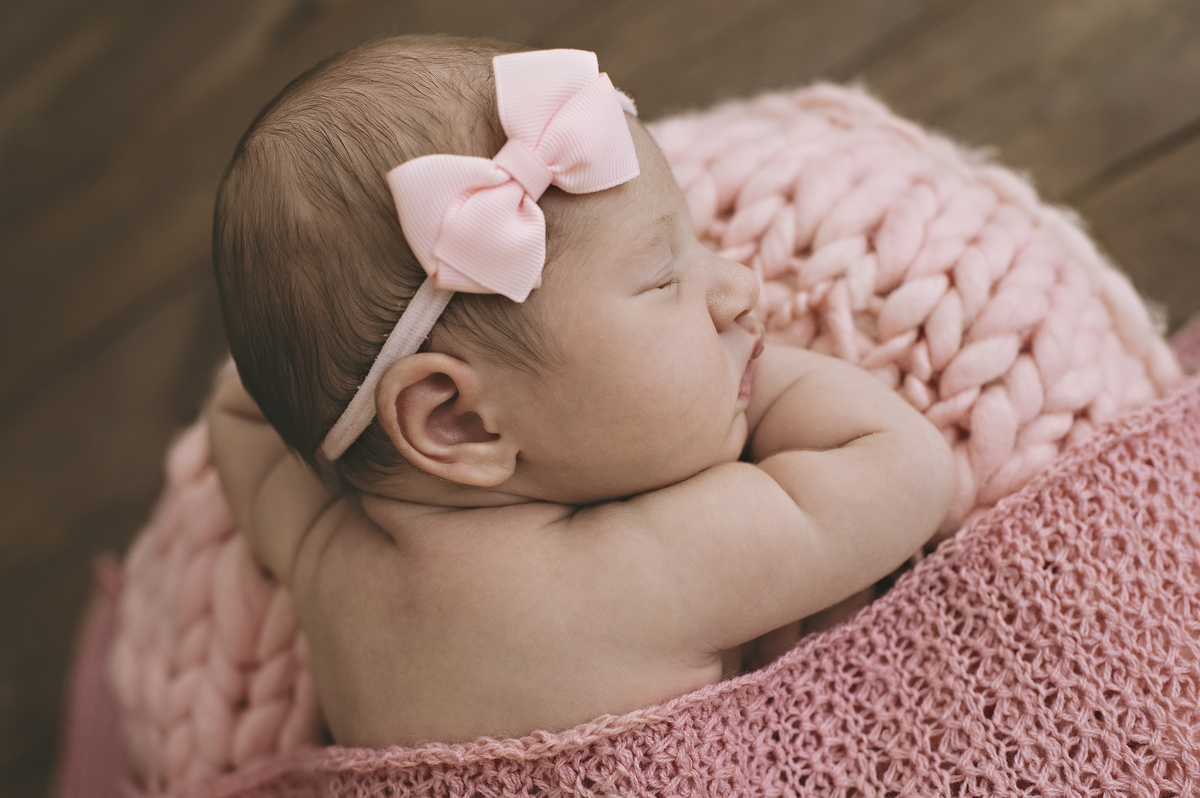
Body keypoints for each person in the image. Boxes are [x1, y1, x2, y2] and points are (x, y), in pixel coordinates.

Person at [207, 34, 956, 749]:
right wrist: (758, 375)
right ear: (456, 420)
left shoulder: (315, 551)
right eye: (665, 278)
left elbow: (238, 410)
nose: (741, 286)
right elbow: (902, 470)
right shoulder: (617, 581)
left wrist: (324, 343)